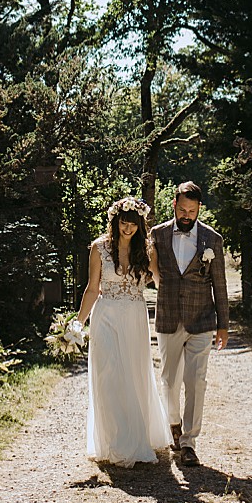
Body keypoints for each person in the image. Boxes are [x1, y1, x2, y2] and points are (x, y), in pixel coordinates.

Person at [76, 197, 173, 466]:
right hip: (105, 315)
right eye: (123, 223)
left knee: (132, 375)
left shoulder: (147, 250)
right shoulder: (99, 248)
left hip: (133, 317)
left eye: (133, 224)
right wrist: (77, 323)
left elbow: (160, 282)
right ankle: (115, 441)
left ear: (140, 225)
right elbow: (92, 289)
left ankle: (134, 438)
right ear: (115, 221)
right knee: (108, 375)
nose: (128, 228)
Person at [151, 180, 229, 467]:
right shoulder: (157, 234)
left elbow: (220, 284)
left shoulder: (212, 239)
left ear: (199, 209)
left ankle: (189, 443)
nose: (186, 216)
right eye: (182, 210)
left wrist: (223, 325)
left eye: (192, 211)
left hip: (202, 320)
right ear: (174, 205)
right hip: (169, 316)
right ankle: (174, 424)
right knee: (169, 380)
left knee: (196, 382)